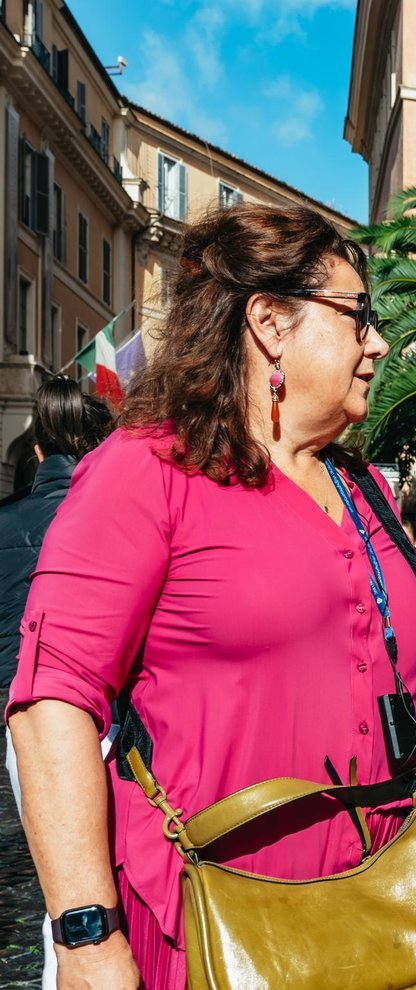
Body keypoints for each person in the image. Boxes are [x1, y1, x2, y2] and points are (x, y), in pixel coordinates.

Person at [6, 204, 416, 990]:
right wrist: (87, 940)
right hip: (217, 925)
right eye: (357, 315)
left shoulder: (364, 486)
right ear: (270, 321)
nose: (378, 342)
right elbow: (52, 703)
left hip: (385, 915)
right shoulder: (147, 472)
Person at [0, 376, 113, 990]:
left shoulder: (6, 521)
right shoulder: (112, 512)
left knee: (62, 892)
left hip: (26, 727)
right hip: (108, 715)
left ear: (37, 450)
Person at [1, 377, 112, 689]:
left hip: (13, 705)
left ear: (37, 453)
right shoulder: (122, 519)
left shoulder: (5, 519)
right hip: (96, 705)